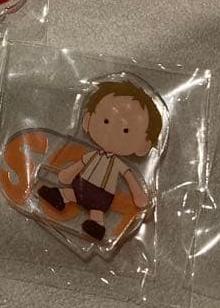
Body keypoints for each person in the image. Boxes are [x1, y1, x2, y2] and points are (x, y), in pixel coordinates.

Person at [37, 80, 163, 242]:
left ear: (143, 146)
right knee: (73, 193)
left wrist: (139, 195)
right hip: (82, 184)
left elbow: (129, 177)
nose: (112, 132)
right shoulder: (92, 155)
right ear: (88, 120)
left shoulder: (118, 164)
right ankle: (58, 197)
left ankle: (96, 225)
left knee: (96, 210)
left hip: (102, 194)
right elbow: (80, 164)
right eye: (106, 121)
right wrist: (68, 174)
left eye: (126, 130)